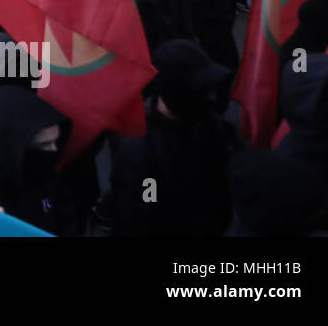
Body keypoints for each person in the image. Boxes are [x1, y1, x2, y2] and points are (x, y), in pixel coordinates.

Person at [102, 40, 237, 236]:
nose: (212, 97)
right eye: (201, 89)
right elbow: (142, 214)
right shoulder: (140, 149)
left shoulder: (205, 121)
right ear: (177, 90)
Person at [0, 86, 75, 235]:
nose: (54, 150)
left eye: (56, 142)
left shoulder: (48, 180)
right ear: (14, 148)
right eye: (44, 145)